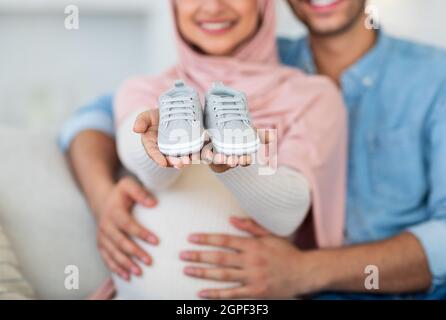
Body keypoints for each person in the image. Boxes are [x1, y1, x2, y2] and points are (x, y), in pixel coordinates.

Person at [60, 0, 446, 299]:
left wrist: (306, 271)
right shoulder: (242, 55)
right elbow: (99, 118)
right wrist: (101, 194)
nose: (213, 7)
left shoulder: (432, 77)